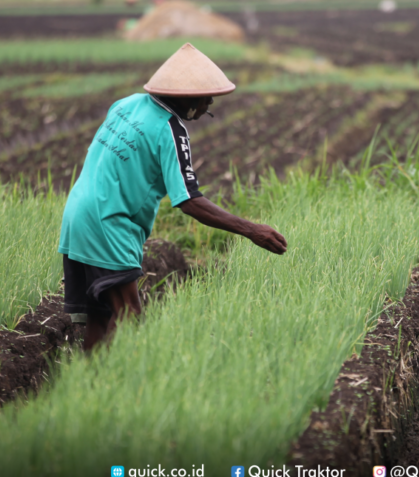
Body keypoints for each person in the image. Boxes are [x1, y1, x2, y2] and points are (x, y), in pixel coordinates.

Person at [58, 43, 287, 352]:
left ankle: (91, 385)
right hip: (109, 223)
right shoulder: (171, 129)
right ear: (188, 97)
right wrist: (251, 230)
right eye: (207, 98)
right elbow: (188, 200)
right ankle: (112, 388)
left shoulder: (126, 104)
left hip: (76, 216)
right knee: (128, 313)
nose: (208, 105)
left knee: (101, 316)